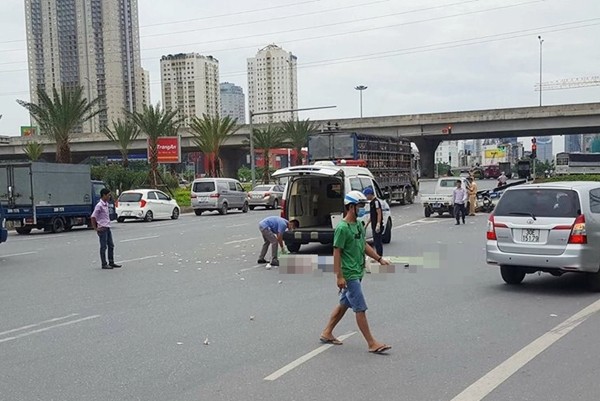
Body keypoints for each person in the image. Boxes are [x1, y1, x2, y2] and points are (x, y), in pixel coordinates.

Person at [320, 190, 392, 354]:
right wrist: (339, 276)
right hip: (349, 274)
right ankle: (372, 343)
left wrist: (379, 259)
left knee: (344, 304)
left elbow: (364, 246)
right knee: (360, 308)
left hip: (358, 271)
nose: (361, 209)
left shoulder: (358, 225)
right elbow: (336, 252)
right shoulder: (342, 228)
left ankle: (327, 332)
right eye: (359, 206)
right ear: (351, 207)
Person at [91, 188, 121, 269]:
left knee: (111, 245)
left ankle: (111, 262)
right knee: (103, 247)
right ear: (104, 195)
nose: (109, 196)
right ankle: (104, 264)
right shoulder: (99, 205)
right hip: (102, 228)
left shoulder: (106, 204)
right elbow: (93, 217)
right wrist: (95, 228)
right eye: (108, 195)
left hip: (107, 227)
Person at [363, 187, 383, 257]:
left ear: (369, 195)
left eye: (366, 195)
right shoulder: (371, 202)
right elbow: (372, 215)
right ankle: (378, 256)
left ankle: (379, 256)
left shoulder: (376, 202)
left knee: (378, 242)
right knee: (375, 241)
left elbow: (379, 213)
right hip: (373, 224)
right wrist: (367, 224)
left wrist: (378, 224)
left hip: (377, 225)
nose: (366, 197)